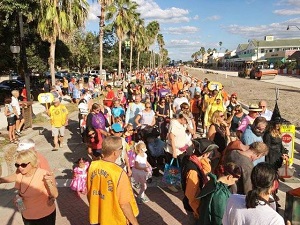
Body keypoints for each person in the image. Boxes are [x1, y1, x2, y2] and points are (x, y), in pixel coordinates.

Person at [87, 136, 139, 225]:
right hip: (115, 219)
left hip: (99, 215)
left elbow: (90, 191)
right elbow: (124, 204)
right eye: (121, 148)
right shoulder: (119, 173)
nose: (122, 150)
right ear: (115, 153)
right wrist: (135, 223)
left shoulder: (92, 166)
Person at [14, 149, 58, 225]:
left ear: (32, 163)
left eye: (23, 165)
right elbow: (19, 193)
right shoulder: (19, 175)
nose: (20, 168)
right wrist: (18, 199)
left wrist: (50, 183)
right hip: (28, 216)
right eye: (17, 165)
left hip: (45, 215)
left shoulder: (43, 174)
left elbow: (55, 195)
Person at [181, 138, 218, 224]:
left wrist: (204, 158)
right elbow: (191, 196)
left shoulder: (190, 158)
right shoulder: (193, 171)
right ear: (206, 154)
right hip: (193, 208)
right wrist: (199, 212)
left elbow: (207, 171)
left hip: (194, 204)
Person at [165, 113, 193, 192]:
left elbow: (192, 131)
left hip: (181, 150)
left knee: (180, 167)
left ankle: (177, 181)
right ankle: (170, 184)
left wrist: (187, 124)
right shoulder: (174, 124)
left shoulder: (182, 125)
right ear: (182, 119)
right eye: (186, 121)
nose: (186, 123)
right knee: (172, 168)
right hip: (173, 150)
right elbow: (172, 138)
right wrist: (174, 151)